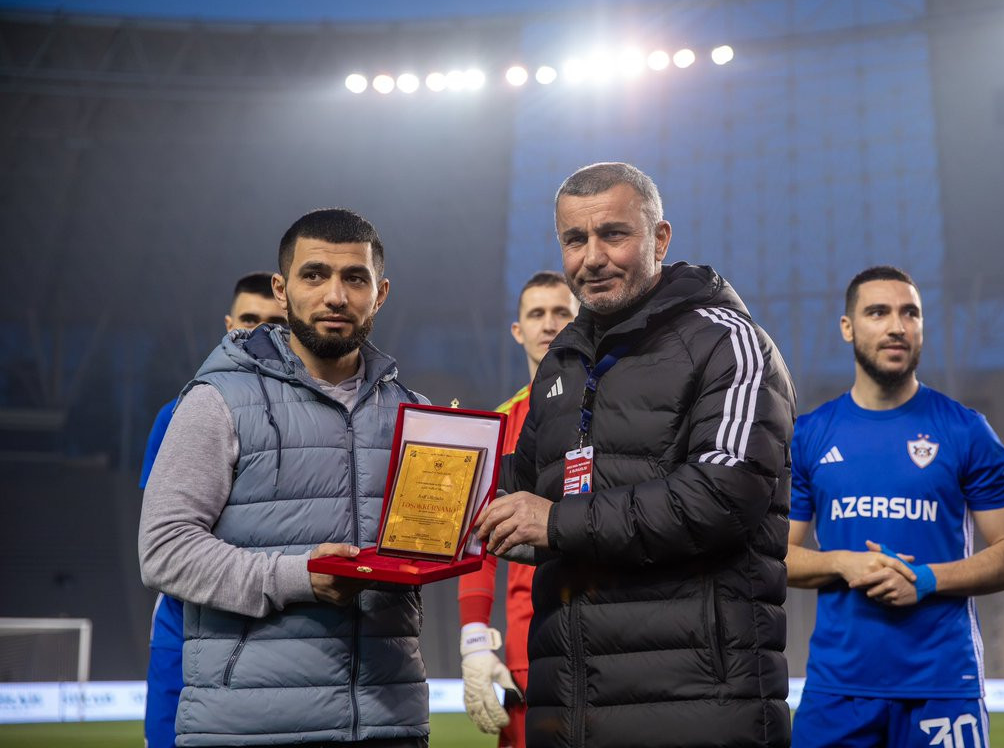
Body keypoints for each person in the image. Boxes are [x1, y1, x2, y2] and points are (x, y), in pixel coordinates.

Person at [476, 162, 797, 748]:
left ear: (660, 238)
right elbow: (521, 494)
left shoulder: (729, 342)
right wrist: (437, 481)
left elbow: (723, 497)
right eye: (575, 239)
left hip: (699, 707)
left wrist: (556, 522)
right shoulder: (562, 363)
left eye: (613, 234)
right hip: (568, 708)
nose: (592, 257)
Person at [139, 208, 431, 747]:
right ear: (282, 289)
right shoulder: (216, 402)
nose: (335, 296)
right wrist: (300, 577)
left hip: (388, 724)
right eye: (314, 274)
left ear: (381, 293)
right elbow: (163, 550)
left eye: (355, 278)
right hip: (250, 729)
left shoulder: (418, 414)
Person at [786, 265, 1004, 748]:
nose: (897, 326)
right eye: (878, 312)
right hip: (839, 689)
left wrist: (926, 580)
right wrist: (843, 564)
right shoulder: (810, 435)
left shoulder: (965, 430)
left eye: (910, 313)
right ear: (847, 327)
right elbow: (776, 556)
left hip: (943, 686)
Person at [139, 272, 286, 748]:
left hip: (277, 634)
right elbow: (167, 537)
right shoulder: (181, 414)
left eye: (276, 323)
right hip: (184, 630)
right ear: (228, 324)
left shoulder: (318, 421)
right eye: (248, 319)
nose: (259, 333)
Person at [457, 271, 578, 747]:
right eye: (537, 313)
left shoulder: (614, 409)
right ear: (518, 330)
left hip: (611, 635)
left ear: (579, 321)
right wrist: (474, 639)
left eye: (561, 312)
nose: (549, 324)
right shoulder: (499, 424)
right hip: (529, 644)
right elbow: (479, 540)